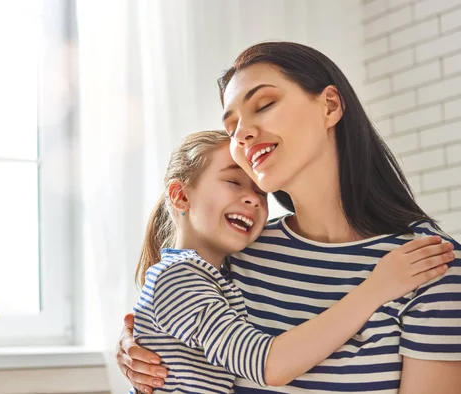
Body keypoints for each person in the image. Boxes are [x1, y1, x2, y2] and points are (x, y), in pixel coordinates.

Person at [117, 42, 461, 394]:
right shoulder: (238, 251)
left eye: (264, 105)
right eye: (232, 127)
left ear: (329, 105)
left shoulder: (429, 266)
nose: (243, 134)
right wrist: (138, 347)